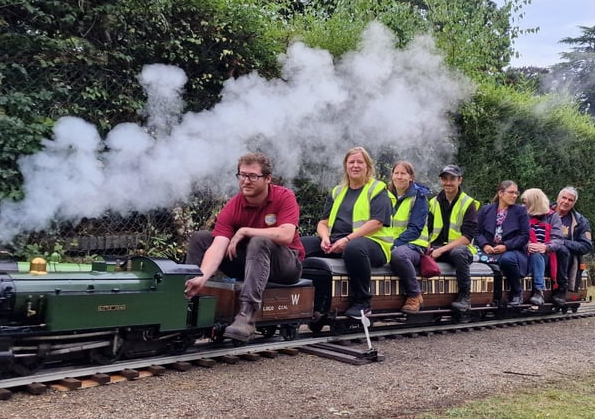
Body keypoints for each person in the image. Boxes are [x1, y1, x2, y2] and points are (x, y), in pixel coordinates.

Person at [183, 152, 305, 342]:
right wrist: (202, 276)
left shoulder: (284, 197)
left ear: (267, 179)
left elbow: (286, 235)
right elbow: (217, 247)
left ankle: (247, 316)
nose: (246, 181)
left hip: (285, 266)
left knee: (259, 240)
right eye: (242, 175)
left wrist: (246, 231)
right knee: (201, 238)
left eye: (252, 176)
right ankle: (187, 304)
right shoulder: (233, 206)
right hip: (250, 263)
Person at [301, 146, 393, 318]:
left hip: (373, 245)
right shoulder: (337, 191)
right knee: (300, 245)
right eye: (351, 162)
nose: (355, 166)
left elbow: (377, 222)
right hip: (336, 241)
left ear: (368, 166)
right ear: (345, 166)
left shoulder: (377, 189)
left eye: (360, 162)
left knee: (354, 248)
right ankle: (302, 298)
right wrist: (325, 238)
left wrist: (347, 240)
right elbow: (322, 222)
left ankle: (363, 302)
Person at [423, 165, 479, 312]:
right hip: (436, 247)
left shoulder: (468, 203)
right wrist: (426, 245)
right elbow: (426, 229)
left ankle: (465, 296)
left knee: (458, 253)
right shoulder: (433, 202)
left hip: (461, 249)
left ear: (460, 180)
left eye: (452, 179)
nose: (448, 182)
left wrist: (441, 249)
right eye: (445, 179)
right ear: (441, 180)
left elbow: (467, 237)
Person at [475, 180, 529, 307]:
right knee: (470, 259)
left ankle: (517, 292)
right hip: (487, 250)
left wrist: (506, 246)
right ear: (500, 193)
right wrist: (485, 245)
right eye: (511, 192)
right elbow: (476, 232)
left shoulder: (520, 211)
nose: (515, 196)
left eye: (516, 193)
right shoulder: (485, 210)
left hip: (513, 251)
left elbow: (524, 236)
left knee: (507, 260)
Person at [387, 161, 431, 313]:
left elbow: (415, 229)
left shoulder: (419, 197)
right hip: (388, 242)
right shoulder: (384, 195)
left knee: (398, 255)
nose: (399, 177)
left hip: (414, 244)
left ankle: (414, 295)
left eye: (403, 173)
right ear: (392, 175)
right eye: (396, 173)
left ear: (411, 177)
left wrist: (394, 244)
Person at [520, 188, 564, 306]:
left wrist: (545, 247)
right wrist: (527, 245)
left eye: (526, 203)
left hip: (545, 255)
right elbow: (515, 235)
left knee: (537, 255)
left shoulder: (553, 217)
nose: (523, 205)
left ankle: (538, 291)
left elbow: (558, 239)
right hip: (523, 251)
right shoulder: (521, 215)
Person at [551, 186, 593, 303]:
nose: (566, 202)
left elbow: (586, 246)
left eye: (570, 200)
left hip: (565, 259)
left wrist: (561, 242)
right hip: (542, 251)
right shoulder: (543, 212)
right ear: (558, 198)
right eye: (564, 198)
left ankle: (561, 289)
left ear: (574, 203)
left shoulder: (580, 222)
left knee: (562, 249)